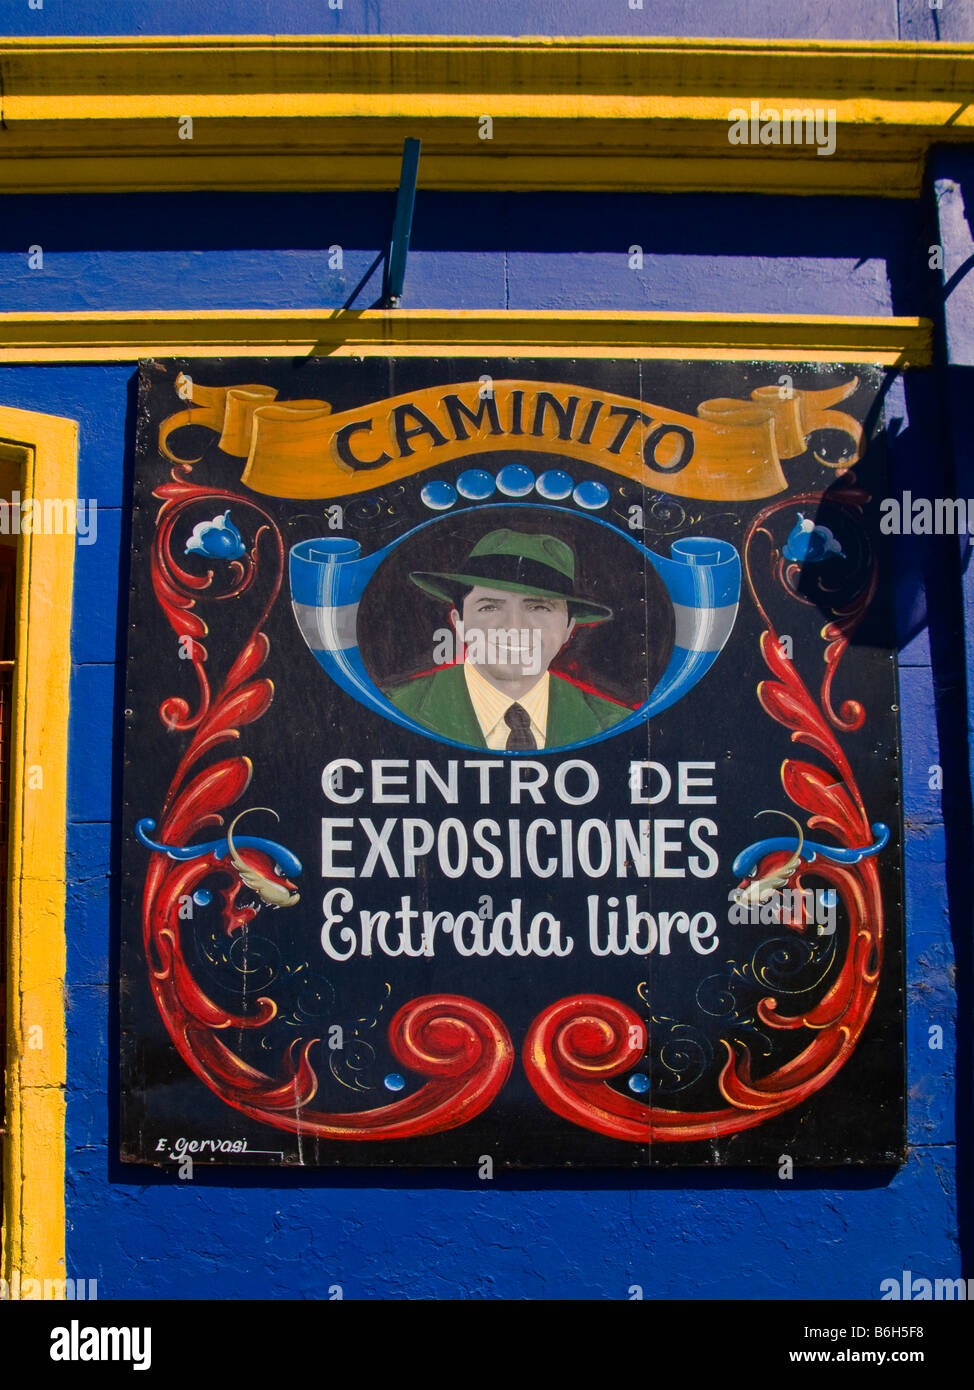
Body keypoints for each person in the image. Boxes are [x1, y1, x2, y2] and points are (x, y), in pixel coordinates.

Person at [383, 527, 630, 750]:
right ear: (459, 622)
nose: (514, 626)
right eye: (490, 607)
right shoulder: (391, 710)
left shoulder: (616, 724)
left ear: (569, 627)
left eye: (539, 607)